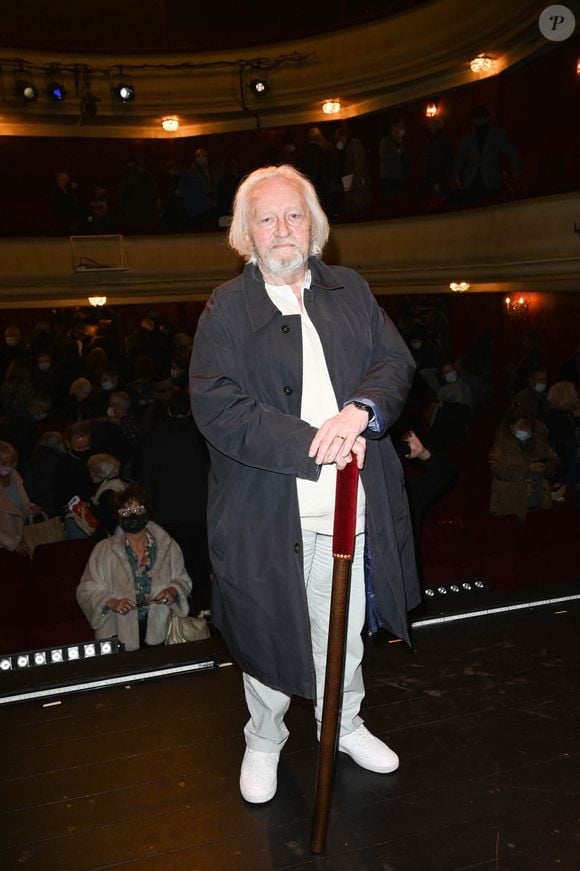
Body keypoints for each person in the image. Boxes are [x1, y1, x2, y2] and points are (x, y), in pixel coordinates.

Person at [189, 164, 419, 805]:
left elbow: (394, 363)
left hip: (350, 507)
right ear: (246, 235)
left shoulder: (351, 288)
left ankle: (341, 723)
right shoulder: (226, 309)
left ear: (314, 227)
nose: (282, 229)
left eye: (294, 216)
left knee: (341, 630)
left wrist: (360, 411)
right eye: (266, 218)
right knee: (267, 632)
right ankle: (264, 739)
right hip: (268, 514)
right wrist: (311, 440)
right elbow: (217, 405)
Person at [76, 484, 192, 651]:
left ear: (148, 512)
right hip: (117, 635)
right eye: (125, 511)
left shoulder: (168, 546)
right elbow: (85, 590)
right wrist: (111, 602)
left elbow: (183, 581)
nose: (132, 515)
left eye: (138, 510)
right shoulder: (103, 550)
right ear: (118, 516)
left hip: (163, 633)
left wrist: (172, 591)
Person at [489, 406, 559, 522]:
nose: (525, 430)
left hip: (538, 498)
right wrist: (528, 468)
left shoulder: (538, 441)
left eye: (528, 426)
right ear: (511, 426)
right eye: (521, 426)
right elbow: (499, 469)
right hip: (512, 503)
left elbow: (554, 461)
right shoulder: (500, 447)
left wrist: (545, 467)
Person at [0, 440, 41, 553]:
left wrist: (30, 509)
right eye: (4, 463)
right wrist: (13, 543)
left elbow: (20, 504)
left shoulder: (14, 476)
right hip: (5, 545)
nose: (9, 467)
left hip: (20, 540)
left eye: (12, 462)